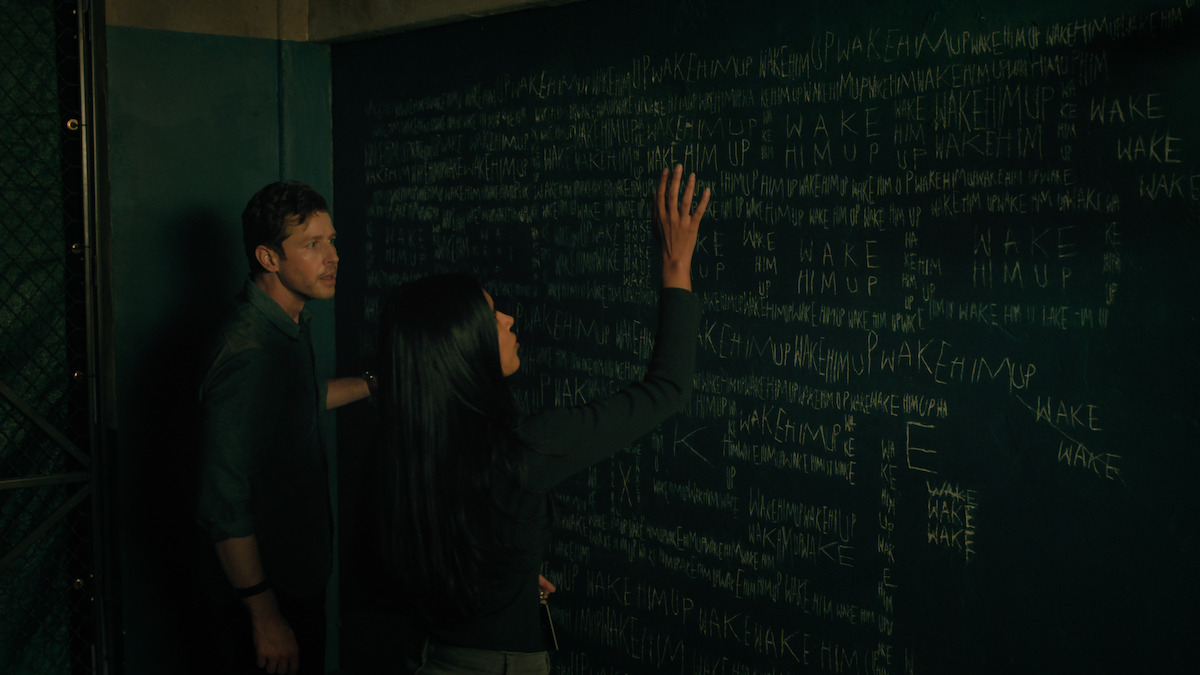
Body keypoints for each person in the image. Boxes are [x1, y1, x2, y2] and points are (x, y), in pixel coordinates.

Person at [375, 165, 711, 673]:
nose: (508, 319)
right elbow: (667, 389)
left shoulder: (407, 442)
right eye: (491, 316)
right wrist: (675, 265)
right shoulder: (523, 448)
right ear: (463, 350)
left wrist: (508, 571)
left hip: (427, 657)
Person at [196, 181, 375, 674]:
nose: (332, 256)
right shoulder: (247, 351)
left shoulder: (287, 320)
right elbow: (221, 503)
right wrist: (265, 615)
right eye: (312, 245)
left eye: (332, 240)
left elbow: (296, 401)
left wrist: (375, 382)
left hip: (298, 576)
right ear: (269, 258)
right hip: (266, 596)